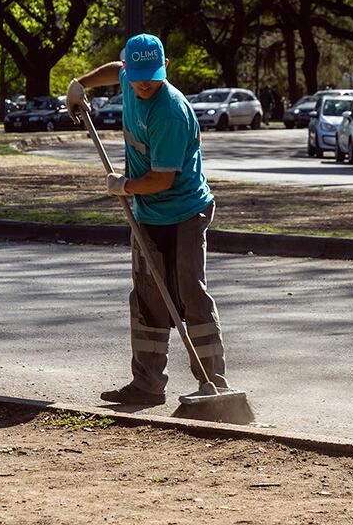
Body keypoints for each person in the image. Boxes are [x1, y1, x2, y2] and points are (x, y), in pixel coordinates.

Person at [66, 33, 230, 406]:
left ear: (165, 68)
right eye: (138, 74)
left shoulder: (169, 111)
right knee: (146, 298)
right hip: (147, 212)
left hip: (185, 211)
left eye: (151, 75)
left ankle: (215, 384)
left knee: (190, 293)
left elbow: (161, 179)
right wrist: (82, 84)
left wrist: (123, 186)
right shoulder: (130, 76)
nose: (143, 82)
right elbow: (116, 70)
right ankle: (147, 385)